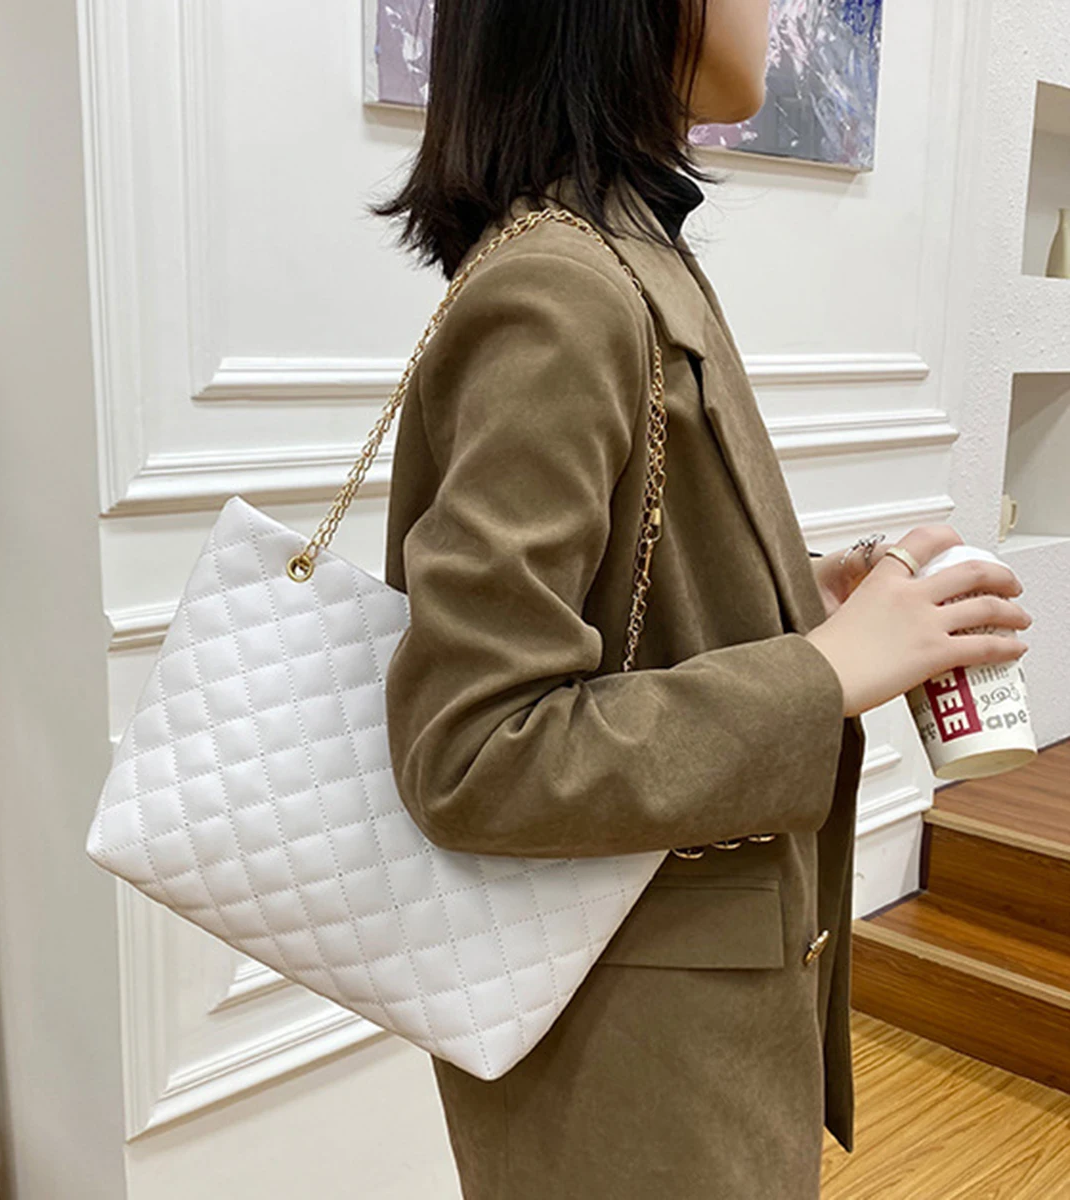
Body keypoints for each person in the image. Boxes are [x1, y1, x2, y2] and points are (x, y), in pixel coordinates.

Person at [370, 1, 1032, 1196]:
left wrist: (802, 603)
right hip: (627, 1040)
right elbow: (470, 749)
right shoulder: (565, 289)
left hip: (659, 996)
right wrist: (823, 671)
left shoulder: (622, 255)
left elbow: (626, 595)